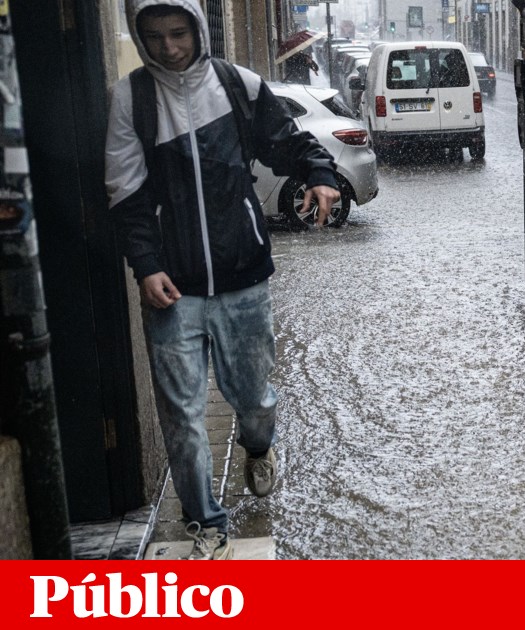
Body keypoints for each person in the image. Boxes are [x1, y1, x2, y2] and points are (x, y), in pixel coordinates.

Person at [105, 0, 340, 560]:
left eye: (179, 33)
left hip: (243, 278)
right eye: (155, 36)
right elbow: (125, 192)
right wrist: (147, 265)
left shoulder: (237, 85)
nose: (168, 47)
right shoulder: (131, 99)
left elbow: (287, 143)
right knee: (183, 415)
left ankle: (260, 448)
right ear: (141, 37)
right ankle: (204, 521)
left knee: (253, 398)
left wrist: (321, 174)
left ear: (199, 29)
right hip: (172, 286)